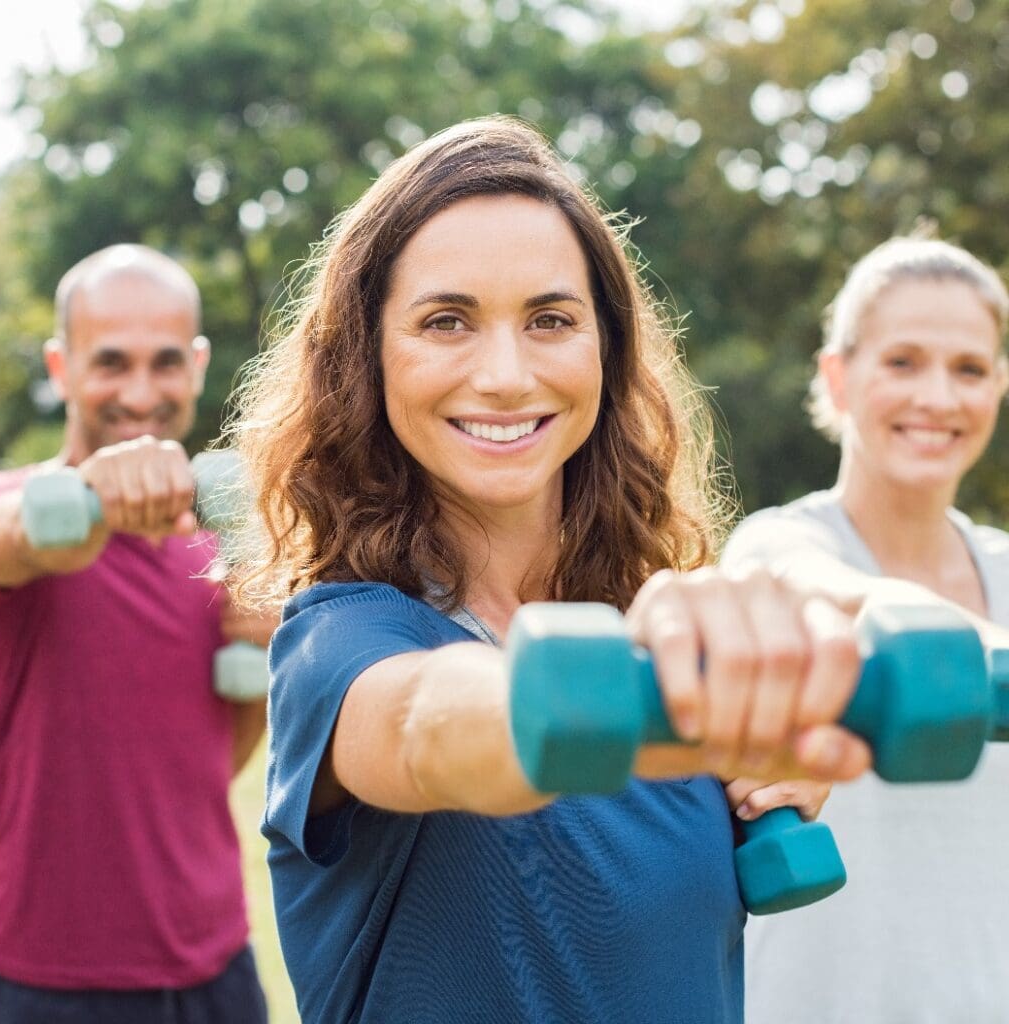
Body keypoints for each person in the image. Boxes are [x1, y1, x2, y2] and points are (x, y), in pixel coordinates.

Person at [230, 116, 879, 1024]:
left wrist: (770, 745)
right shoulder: (339, 645)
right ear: (366, 359)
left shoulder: (660, 650)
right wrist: (675, 714)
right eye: (446, 321)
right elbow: (434, 726)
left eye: (550, 320)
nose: (504, 373)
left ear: (604, 352)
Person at [722, 232, 1009, 1023]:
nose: (939, 399)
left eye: (970, 369)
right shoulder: (781, 547)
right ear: (838, 378)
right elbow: (815, 588)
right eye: (903, 361)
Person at [0, 245, 273, 1023]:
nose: (140, 392)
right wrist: (87, 493)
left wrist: (255, 651)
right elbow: (18, 537)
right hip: (47, 983)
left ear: (198, 364)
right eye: (111, 362)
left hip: (218, 967)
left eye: (165, 362)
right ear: (61, 365)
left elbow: (206, 765)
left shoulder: (223, 553)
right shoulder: (6, 508)